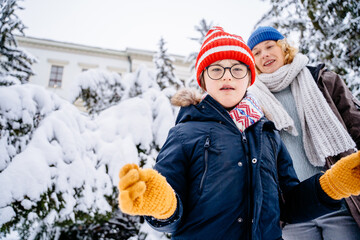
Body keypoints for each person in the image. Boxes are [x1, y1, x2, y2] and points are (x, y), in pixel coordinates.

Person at [117, 27, 360, 239]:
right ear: (203, 81)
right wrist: (161, 204)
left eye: (237, 69)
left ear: (248, 79)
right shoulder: (184, 134)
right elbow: (172, 212)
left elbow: (289, 205)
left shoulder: (268, 133)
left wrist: (332, 184)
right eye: (216, 69)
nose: (227, 76)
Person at [247, 26, 360, 239]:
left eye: (270, 47)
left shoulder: (322, 80)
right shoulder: (250, 102)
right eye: (257, 52)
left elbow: (356, 126)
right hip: (293, 213)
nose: (265, 55)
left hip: (340, 203)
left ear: (284, 48)